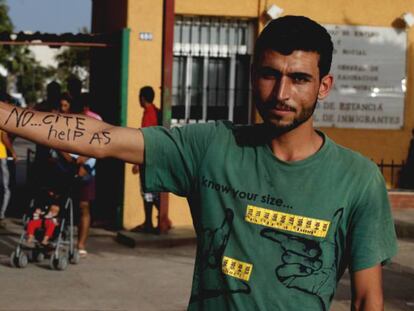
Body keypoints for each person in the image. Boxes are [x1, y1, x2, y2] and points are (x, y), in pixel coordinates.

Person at [0, 15, 397, 310]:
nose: (281, 92)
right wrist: (5, 115)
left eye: (299, 79)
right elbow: (103, 141)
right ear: (252, 74)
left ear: (323, 85)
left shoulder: (358, 179)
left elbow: (367, 300)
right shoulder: (212, 146)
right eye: (269, 74)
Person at [55, 93, 98, 257]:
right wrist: (66, 157)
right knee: (60, 205)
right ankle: (57, 237)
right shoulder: (66, 121)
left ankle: (81, 244)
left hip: (86, 170)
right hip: (66, 169)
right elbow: (57, 141)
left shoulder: (95, 122)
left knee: (83, 207)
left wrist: (85, 162)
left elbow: (99, 145)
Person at [131, 86, 172, 234]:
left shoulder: (149, 114)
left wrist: (138, 161)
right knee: (151, 192)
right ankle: (156, 220)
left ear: (142, 98)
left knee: (148, 192)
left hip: (148, 161)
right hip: (155, 159)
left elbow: (146, 139)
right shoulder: (155, 111)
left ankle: (159, 220)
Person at [0, 93, 17, 228]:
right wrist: (13, 152)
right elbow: (5, 137)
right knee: (6, 187)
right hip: (1, 155)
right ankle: (2, 214)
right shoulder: (3, 116)